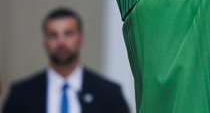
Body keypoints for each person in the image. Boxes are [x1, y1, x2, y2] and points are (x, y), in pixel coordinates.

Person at [2, 7, 130, 113]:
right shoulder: (20, 95)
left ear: (80, 39)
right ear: (45, 42)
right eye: (53, 35)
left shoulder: (108, 93)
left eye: (68, 34)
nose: (61, 42)